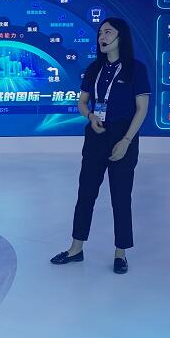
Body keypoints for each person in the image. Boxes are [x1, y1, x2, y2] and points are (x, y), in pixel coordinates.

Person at [51, 18, 151, 274]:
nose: (102, 37)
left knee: (121, 196)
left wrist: (126, 141)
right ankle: (76, 248)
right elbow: (82, 102)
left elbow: (142, 109)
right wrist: (90, 116)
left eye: (108, 32)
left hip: (123, 135)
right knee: (85, 193)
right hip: (96, 135)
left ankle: (120, 253)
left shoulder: (135, 69)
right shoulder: (94, 68)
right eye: (100, 33)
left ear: (120, 37)